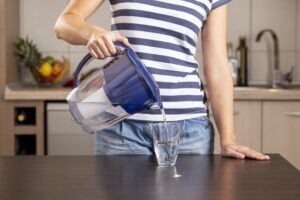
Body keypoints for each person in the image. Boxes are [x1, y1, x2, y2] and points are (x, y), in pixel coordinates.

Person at [55, 0, 270, 160]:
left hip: (190, 131)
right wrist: (91, 34)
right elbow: (64, 23)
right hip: (122, 127)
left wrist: (228, 140)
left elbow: (217, 67)